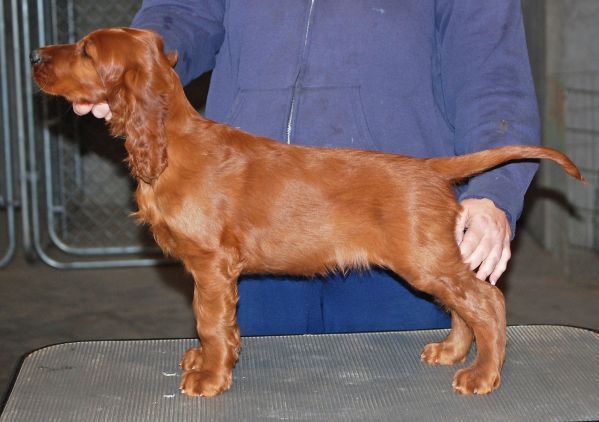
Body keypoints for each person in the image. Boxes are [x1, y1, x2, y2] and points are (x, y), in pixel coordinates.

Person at [74, 0, 539, 336]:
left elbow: (493, 72)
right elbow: (184, 10)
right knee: (263, 396)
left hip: (386, 214)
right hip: (248, 216)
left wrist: (493, 189)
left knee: (399, 393)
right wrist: (126, 69)